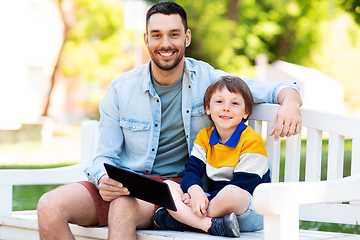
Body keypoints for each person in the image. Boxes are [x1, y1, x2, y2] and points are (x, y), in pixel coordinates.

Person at [37, 2, 302, 240]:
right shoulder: (121, 88)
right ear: (146, 39)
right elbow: (103, 157)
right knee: (49, 207)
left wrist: (290, 101)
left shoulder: (208, 80)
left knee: (123, 207)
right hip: (127, 184)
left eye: (174, 34)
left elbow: (271, 89)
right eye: (157, 35)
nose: (166, 43)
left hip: (175, 190)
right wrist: (102, 178)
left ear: (186, 38)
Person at [153, 76, 269, 238]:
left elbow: (244, 184)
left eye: (234, 103)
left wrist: (201, 202)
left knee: (231, 193)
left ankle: (184, 220)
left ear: (246, 112)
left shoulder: (251, 140)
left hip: (250, 210)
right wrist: (195, 192)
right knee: (168, 186)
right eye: (219, 102)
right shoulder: (205, 137)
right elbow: (191, 171)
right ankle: (207, 225)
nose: (226, 108)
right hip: (215, 207)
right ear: (208, 108)